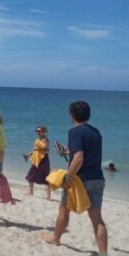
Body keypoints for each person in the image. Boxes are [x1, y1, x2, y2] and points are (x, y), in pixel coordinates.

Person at [41, 101, 108, 256]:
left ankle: (56, 237)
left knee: (64, 210)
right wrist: (69, 149)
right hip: (97, 178)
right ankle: (103, 253)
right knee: (97, 219)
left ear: (72, 115)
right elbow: (87, 151)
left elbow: (79, 158)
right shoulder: (96, 132)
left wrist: (68, 179)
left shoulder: (74, 132)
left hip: (80, 180)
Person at [23, 126, 51, 200]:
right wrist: (28, 154)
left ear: (44, 132)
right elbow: (36, 150)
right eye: (37, 131)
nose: (38, 132)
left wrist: (38, 149)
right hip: (38, 159)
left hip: (42, 160)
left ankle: (48, 196)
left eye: (39, 131)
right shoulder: (40, 139)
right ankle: (31, 192)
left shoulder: (44, 139)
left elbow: (47, 151)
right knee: (32, 174)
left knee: (44, 177)